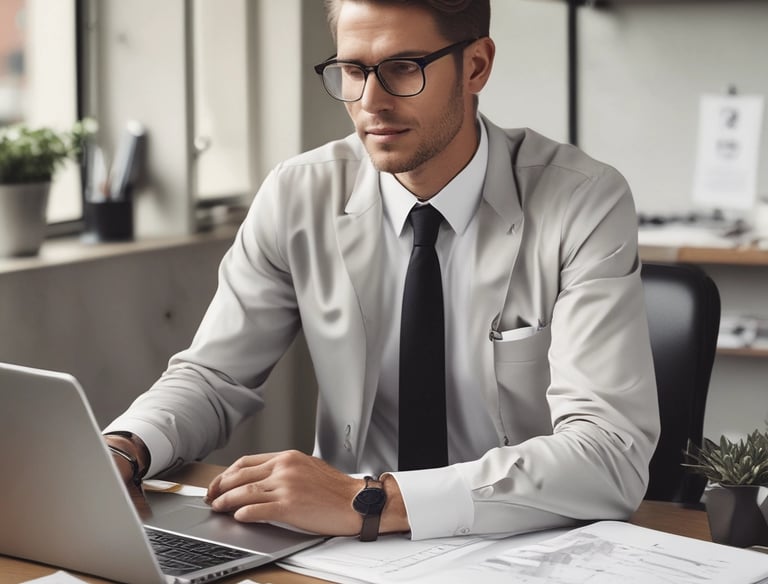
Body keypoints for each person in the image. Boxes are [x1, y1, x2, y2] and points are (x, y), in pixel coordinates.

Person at [104, 0, 660, 541]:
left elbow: (609, 453)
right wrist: (125, 446)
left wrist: (370, 499)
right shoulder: (299, 193)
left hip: (519, 539)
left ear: (476, 66)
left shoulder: (583, 201)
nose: (371, 101)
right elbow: (214, 376)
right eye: (352, 70)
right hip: (347, 548)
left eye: (402, 68)